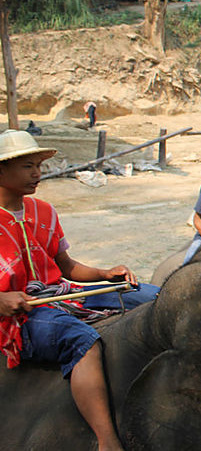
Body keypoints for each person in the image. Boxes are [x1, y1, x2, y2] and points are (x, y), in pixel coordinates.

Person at [0, 129, 158, 451]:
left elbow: (67, 266)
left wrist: (105, 274)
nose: (37, 173)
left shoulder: (44, 211)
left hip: (62, 292)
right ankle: (106, 440)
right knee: (82, 341)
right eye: (27, 166)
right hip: (20, 316)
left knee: (152, 296)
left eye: (38, 165)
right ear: (1, 170)